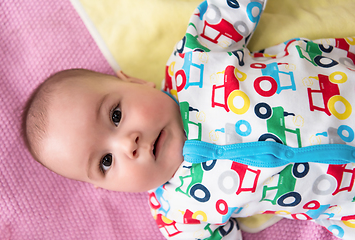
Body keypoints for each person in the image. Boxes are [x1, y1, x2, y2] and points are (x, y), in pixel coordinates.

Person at [23, 0, 355, 239]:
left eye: (115, 115)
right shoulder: (179, 214)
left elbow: (228, 9)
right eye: (106, 161)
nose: (128, 143)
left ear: (135, 82)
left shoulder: (194, 61)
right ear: (108, 187)